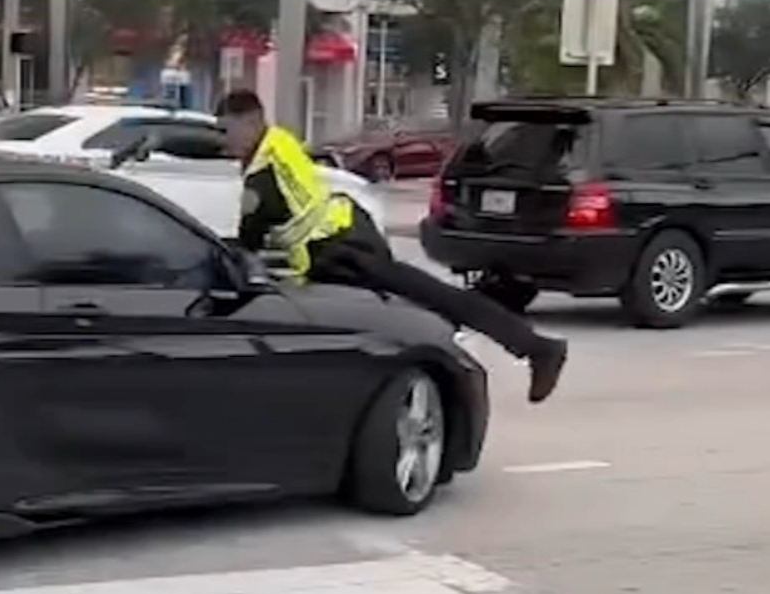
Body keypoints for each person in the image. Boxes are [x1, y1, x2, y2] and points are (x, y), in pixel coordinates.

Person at [215, 89, 568, 404]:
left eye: (227, 130)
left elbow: (247, 246)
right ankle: (508, 347)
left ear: (252, 122)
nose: (223, 141)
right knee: (415, 307)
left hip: (340, 253)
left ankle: (534, 348)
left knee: (417, 307)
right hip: (346, 233)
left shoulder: (260, 179)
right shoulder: (277, 142)